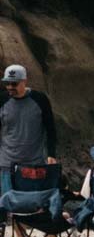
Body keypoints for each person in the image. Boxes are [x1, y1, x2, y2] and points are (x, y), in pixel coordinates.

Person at [0, 64, 58, 196]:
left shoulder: (39, 99)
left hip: (33, 162)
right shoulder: (2, 100)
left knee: (31, 203)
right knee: (7, 203)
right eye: (7, 83)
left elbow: (50, 128)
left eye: (14, 84)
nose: (10, 87)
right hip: (6, 163)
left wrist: (51, 154)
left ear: (24, 81)